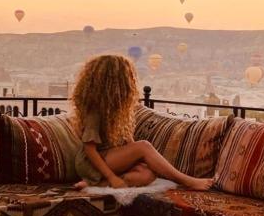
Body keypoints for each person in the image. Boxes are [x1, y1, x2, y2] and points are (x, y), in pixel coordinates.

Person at [73, 55, 213, 190]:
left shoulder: (119, 108)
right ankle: (187, 181)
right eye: (126, 78)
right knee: (144, 146)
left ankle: (96, 184)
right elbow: (89, 149)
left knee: (148, 175)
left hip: (111, 157)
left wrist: (136, 161)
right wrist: (111, 177)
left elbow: (127, 141)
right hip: (91, 162)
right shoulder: (95, 109)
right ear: (113, 82)